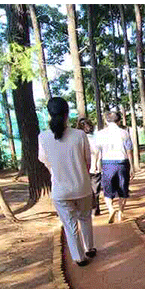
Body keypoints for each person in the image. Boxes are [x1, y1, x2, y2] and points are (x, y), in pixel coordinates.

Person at [38, 97, 97, 266]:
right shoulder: (79, 135)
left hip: (60, 190)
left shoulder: (43, 137)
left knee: (70, 225)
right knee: (85, 218)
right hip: (82, 187)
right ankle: (90, 248)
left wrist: (56, 170)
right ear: (67, 113)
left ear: (49, 114)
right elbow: (87, 161)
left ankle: (79, 258)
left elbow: (44, 160)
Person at [93, 111, 134, 223]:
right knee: (123, 189)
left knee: (107, 189)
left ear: (106, 121)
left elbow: (97, 151)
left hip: (107, 163)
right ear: (119, 121)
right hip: (122, 162)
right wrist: (132, 167)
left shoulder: (100, 134)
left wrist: (96, 164)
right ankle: (121, 213)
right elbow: (129, 150)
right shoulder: (124, 133)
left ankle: (111, 209)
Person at [77, 118, 101, 217]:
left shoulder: (79, 139)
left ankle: (92, 209)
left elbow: (96, 153)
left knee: (89, 189)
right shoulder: (94, 138)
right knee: (95, 189)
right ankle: (95, 208)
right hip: (93, 167)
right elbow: (97, 153)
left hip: (86, 168)